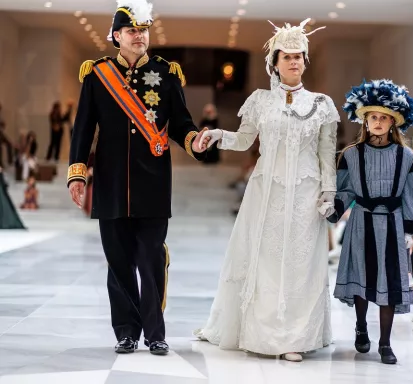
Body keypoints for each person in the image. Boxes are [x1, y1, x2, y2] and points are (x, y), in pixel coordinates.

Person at [194, 18, 339, 363]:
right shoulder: (259, 100)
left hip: (306, 192)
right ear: (274, 63)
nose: (293, 61)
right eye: (286, 56)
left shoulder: (322, 104)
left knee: (299, 264)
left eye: (298, 56)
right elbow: (244, 141)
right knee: (264, 259)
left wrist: (329, 193)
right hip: (266, 189)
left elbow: (326, 155)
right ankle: (258, 330)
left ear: (305, 61)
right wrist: (216, 135)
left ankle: (295, 337)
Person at [67, 0, 206, 356]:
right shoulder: (97, 75)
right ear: (117, 36)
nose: (139, 36)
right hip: (111, 183)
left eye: (143, 30)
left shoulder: (167, 72)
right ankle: (126, 331)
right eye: (132, 31)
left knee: (150, 259)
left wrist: (195, 140)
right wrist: (77, 173)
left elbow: (181, 123)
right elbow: (83, 129)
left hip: (153, 183)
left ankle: (155, 333)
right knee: (118, 260)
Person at [327, 79, 413, 364]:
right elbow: (345, 189)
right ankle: (361, 326)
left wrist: (411, 229)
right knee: (361, 277)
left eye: (384, 117)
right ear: (365, 121)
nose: (379, 122)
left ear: (393, 122)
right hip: (361, 222)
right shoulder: (352, 155)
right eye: (374, 117)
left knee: (389, 282)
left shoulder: (408, 158)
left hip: (393, 224)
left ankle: (385, 342)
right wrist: (332, 209)